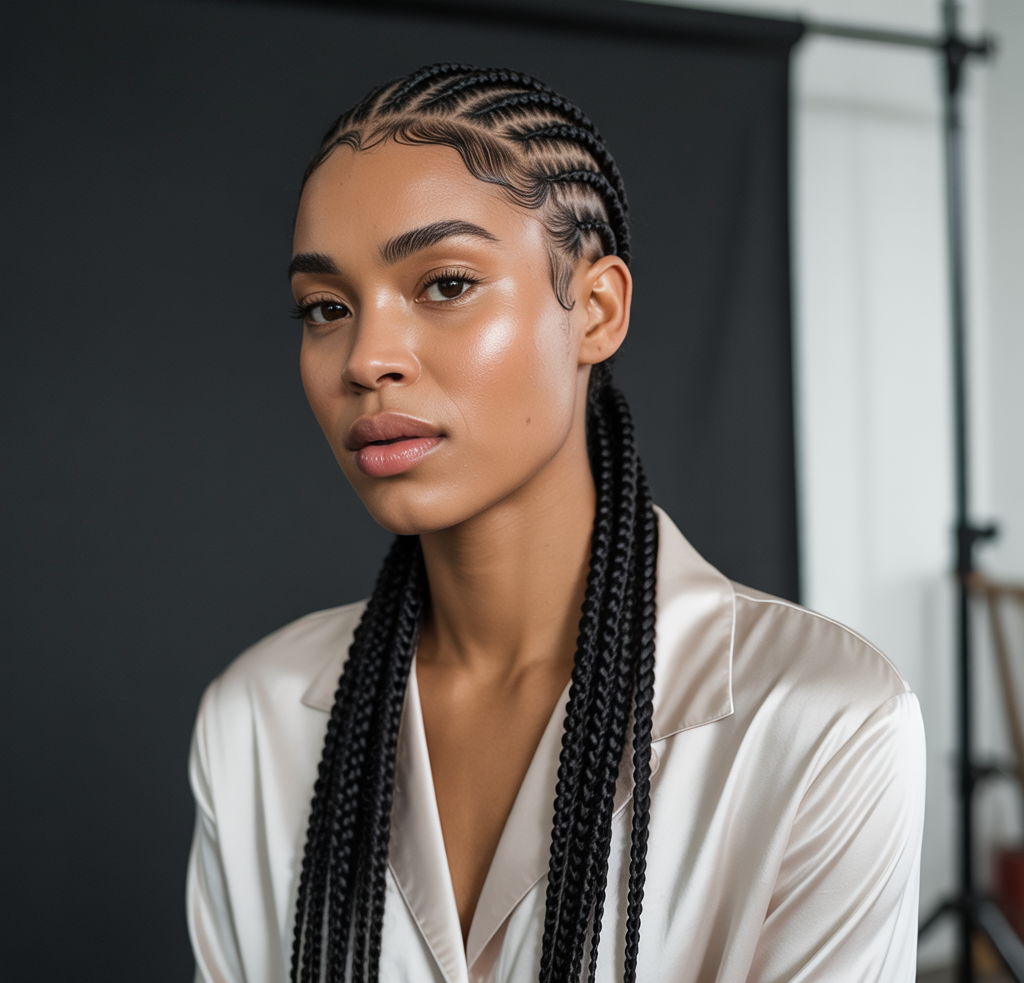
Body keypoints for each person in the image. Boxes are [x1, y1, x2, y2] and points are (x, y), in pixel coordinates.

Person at [186, 65, 925, 983]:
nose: (367, 357)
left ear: (598, 310)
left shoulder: (821, 720)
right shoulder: (253, 721)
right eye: (325, 309)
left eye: (445, 284)